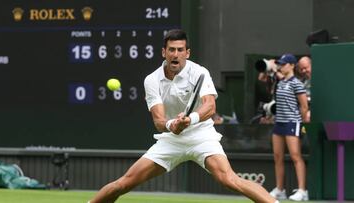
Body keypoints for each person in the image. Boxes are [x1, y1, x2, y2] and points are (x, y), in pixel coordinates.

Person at [89, 29, 278, 203]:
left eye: (180, 50)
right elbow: (158, 121)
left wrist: (191, 119)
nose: (175, 54)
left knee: (229, 179)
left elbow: (210, 106)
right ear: (164, 52)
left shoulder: (199, 72)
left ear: (187, 53)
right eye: (171, 50)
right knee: (124, 183)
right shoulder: (152, 80)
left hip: (201, 135)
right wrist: (173, 125)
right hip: (171, 140)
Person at [269, 54, 310, 201]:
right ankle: (280, 190)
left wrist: (302, 122)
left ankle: (302, 191)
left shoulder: (297, 83)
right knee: (278, 157)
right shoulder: (280, 83)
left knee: (295, 156)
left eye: (284, 64)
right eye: (280, 64)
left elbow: (304, 106)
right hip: (279, 123)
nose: (281, 66)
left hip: (293, 123)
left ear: (292, 65)